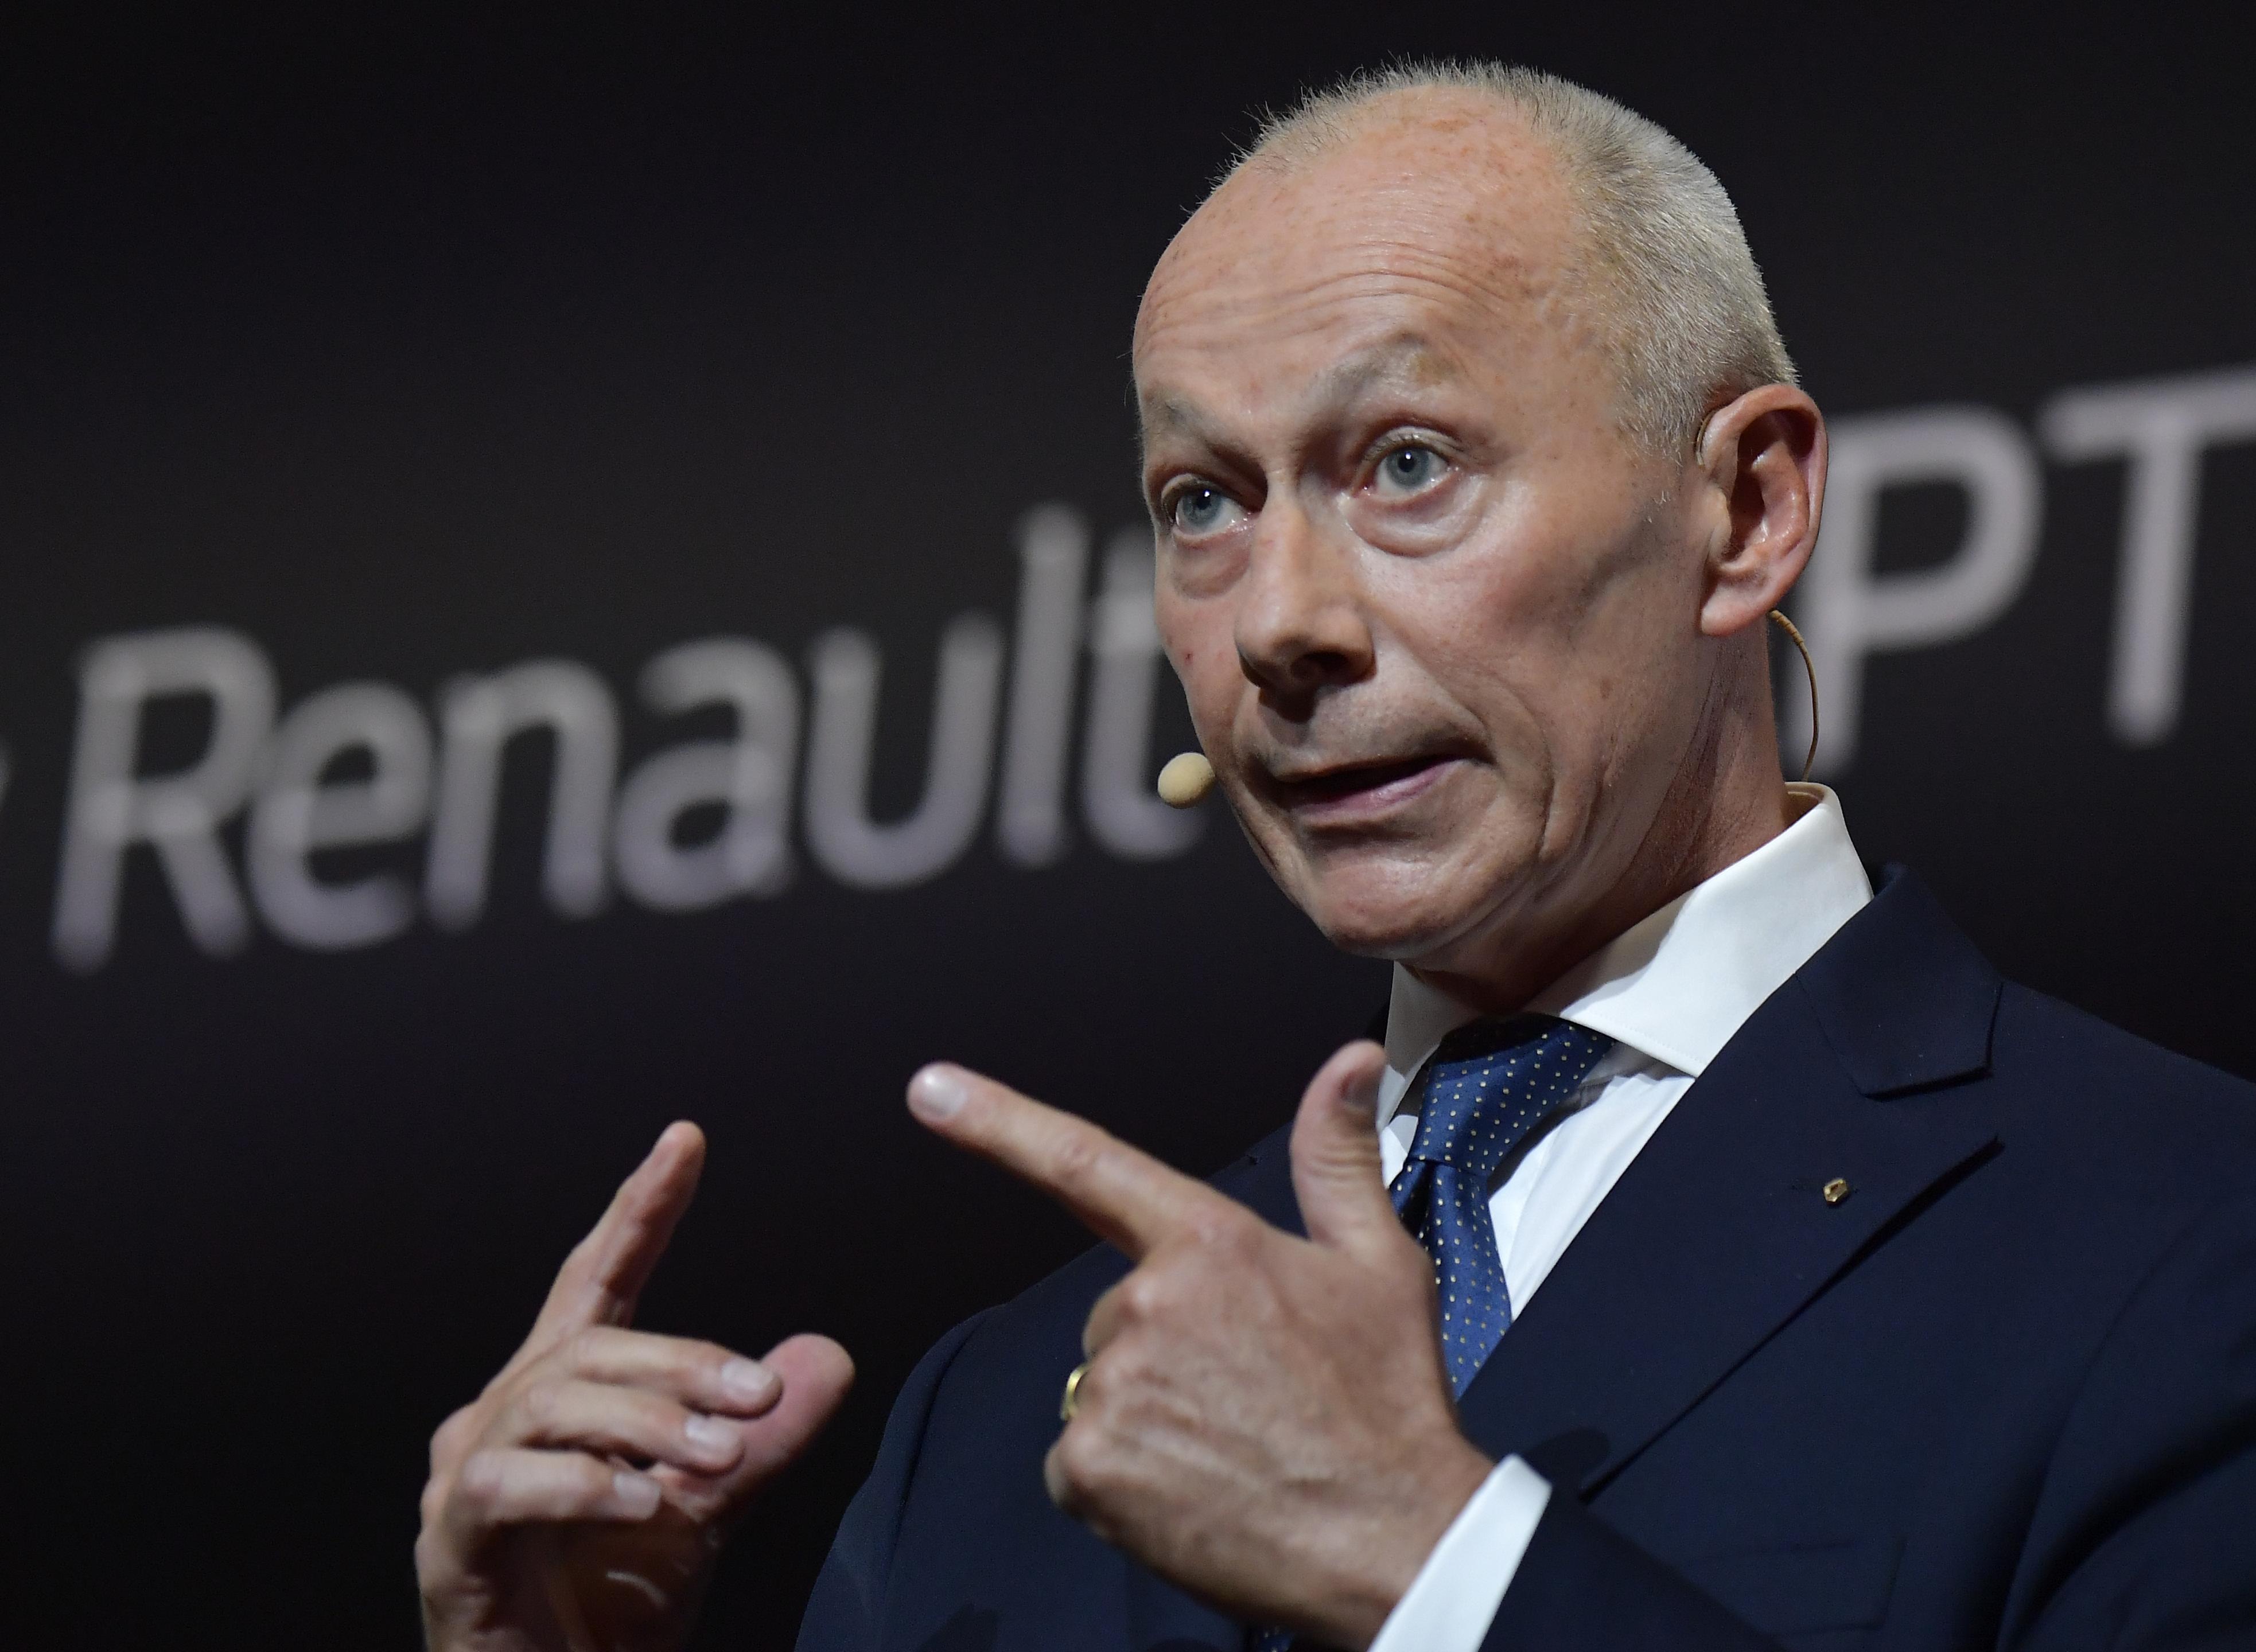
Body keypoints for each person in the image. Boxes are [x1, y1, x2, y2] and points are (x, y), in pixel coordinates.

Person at [414, 63, 2256, 1651]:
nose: (1280, 624)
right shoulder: (1005, 1413)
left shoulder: (2182, 1239)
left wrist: (1431, 1567)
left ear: (1744, 509)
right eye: (1202, 502)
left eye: (1405, 465)